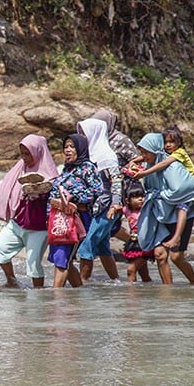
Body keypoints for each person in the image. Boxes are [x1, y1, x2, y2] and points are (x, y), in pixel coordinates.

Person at [0, 134, 58, 289]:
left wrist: (40, 191)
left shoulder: (51, 174)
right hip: (18, 221)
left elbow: (57, 196)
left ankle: (38, 294)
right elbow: (6, 185)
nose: (25, 158)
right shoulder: (20, 168)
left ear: (38, 152)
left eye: (28, 154)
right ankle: (11, 280)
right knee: (0, 248)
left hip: (38, 227)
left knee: (33, 263)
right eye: (22, 154)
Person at [134, 133, 194, 284]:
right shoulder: (150, 166)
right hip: (161, 214)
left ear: (156, 151)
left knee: (176, 257)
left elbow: (182, 193)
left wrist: (161, 195)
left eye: (146, 152)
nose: (143, 156)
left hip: (179, 215)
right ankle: (167, 294)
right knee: (160, 254)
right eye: (141, 152)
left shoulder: (173, 167)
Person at [130, 125, 194, 249]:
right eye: (166, 142)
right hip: (179, 194)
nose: (168, 145)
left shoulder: (176, 157)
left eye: (172, 142)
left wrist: (145, 173)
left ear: (179, 143)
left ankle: (177, 236)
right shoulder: (156, 159)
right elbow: (150, 154)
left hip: (192, 186)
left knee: (183, 207)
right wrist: (134, 161)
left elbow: (165, 166)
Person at [47, 134, 105, 288]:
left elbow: (97, 190)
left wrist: (75, 197)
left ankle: (55, 299)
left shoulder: (87, 167)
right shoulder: (66, 169)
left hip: (77, 219)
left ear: (80, 148)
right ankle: (79, 294)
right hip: (59, 219)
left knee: (62, 258)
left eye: (72, 147)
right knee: (65, 259)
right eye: (66, 147)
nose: (68, 150)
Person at [75, 117, 124, 281]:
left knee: (86, 247)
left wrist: (116, 204)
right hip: (94, 207)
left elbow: (116, 181)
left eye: (84, 132)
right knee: (103, 247)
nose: (81, 136)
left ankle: (81, 288)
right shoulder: (89, 155)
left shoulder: (107, 157)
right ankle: (116, 282)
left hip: (106, 208)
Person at [121, 179, 153, 283]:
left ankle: (131, 297)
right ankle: (147, 293)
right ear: (128, 200)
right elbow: (118, 208)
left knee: (131, 269)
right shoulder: (127, 210)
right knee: (143, 273)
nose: (140, 199)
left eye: (142, 196)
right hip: (134, 244)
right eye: (135, 197)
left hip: (146, 244)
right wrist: (113, 209)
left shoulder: (147, 209)